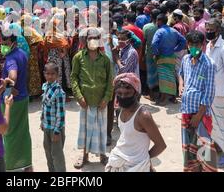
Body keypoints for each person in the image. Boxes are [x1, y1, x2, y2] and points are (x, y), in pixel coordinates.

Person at [105, 73, 166, 172]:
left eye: (127, 93)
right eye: (119, 93)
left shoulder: (143, 115)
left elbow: (161, 145)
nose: (123, 97)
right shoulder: (121, 109)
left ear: (136, 93)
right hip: (118, 158)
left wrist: (145, 159)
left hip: (136, 166)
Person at [71, 27, 113, 169]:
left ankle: (102, 155)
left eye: (95, 38)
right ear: (86, 40)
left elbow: (109, 80)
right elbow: (74, 78)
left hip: (101, 101)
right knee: (85, 130)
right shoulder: (78, 57)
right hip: (85, 101)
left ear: (99, 40)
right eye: (90, 38)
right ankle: (84, 155)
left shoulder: (105, 59)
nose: (93, 41)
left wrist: (106, 98)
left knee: (101, 129)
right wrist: (79, 96)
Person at [179, 31, 217, 172]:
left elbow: (209, 93)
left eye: (197, 45)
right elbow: (181, 74)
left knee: (204, 149)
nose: (193, 47)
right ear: (187, 45)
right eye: (191, 44)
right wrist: (181, 86)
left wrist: (198, 116)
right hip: (186, 110)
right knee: (188, 148)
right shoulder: (185, 59)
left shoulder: (209, 64)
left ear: (202, 45)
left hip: (200, 114)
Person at [0, 32, 33, 172]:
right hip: (23, 99)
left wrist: (10, 86)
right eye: (2, 43)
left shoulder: (11, 58)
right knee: (23, 133)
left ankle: (11, 166)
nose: (3, 46)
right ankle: (27, 165)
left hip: (12, 102)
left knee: (9, 134)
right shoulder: (22, 53)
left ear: (13, 42)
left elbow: (13, 74)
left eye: (6, 44)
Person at [205, 19, 224, 169]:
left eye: (210, 29)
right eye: (207, 29)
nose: (208, 31)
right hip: (208, 91)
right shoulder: (209, 46)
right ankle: (217, 146)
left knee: (221, 122)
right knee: (211, 122)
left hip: (219, 91)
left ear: (217, 30)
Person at [151, 14, 186, 105]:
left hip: (162, 56)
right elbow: (183, 41)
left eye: (157, 21)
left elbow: (154, 43)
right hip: (172, 56)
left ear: (159, 21)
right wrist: (176, 49)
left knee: (162, 78)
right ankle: (173, 97)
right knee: (171, 76)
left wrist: (156, 53)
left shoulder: (159, 31)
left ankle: (163, 98)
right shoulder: (174, 31)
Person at [41, 62, 67, 172]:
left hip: (55, 129)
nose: (50, 76)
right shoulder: (45, 86)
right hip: (47, 126)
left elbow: (60, 114)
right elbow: (44, 106)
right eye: (47, 73)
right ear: (44, 74)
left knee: (57, 156)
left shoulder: (59, 92)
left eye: (53, 74)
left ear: (57, 75)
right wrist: (42, 121)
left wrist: (57, 131)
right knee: (48, 153)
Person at [143, 9, 161, 100]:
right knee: (159, 73)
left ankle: (151, 95)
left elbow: (144, 42)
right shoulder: (162, 27)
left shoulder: (146, 27)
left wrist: (142, 54)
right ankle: (160, 94)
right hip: (161, 53)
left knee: (150, 74)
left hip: (149, 53)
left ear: (151, 16)